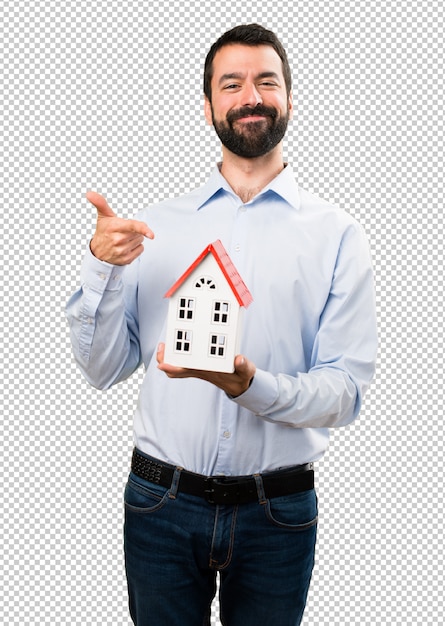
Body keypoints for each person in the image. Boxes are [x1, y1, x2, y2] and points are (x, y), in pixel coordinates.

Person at [66, 23, 377, 626]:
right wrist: (101, 267)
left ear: (290, 98)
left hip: (278, 512)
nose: (250, 96)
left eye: (267, 80)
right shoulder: (156, 228)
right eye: (230, 83)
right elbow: (102, 369)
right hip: (160, 503)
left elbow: (346, 392)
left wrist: (251, 386)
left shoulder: (338, 235)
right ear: (208, 105)